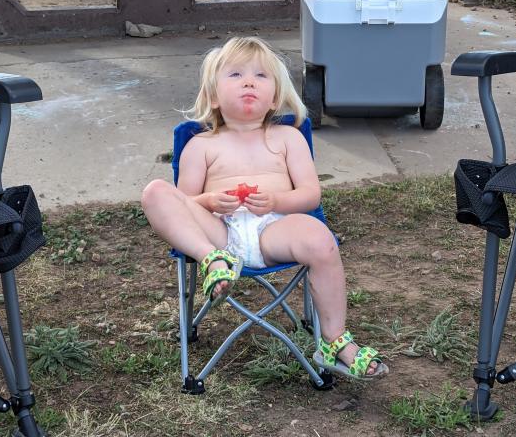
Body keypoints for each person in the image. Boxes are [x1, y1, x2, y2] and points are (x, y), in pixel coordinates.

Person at [141, 37, 388, 379]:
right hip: (218, 234)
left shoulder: (288, 138)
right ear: (213, 96)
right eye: (236, 74)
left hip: (274, 229)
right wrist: (210, 202)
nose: (248, 81)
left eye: (260, 75)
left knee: (321, 239)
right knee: (155, 192)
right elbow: (185, 204)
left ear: (274, 98)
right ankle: (214, 260)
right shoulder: (200, 145)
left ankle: (334, 341)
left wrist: (276, 201)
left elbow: (310, 194)